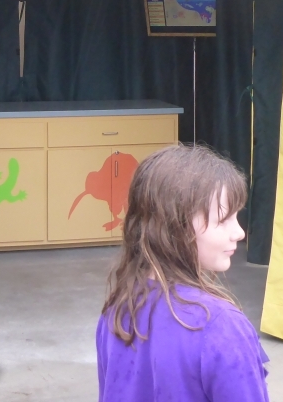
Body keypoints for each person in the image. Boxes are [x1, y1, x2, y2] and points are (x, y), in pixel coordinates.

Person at [96, 144, 270, 402]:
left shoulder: (117, 308)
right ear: (175, 228)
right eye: (223, 220)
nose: (240, 232)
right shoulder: (222, 327)